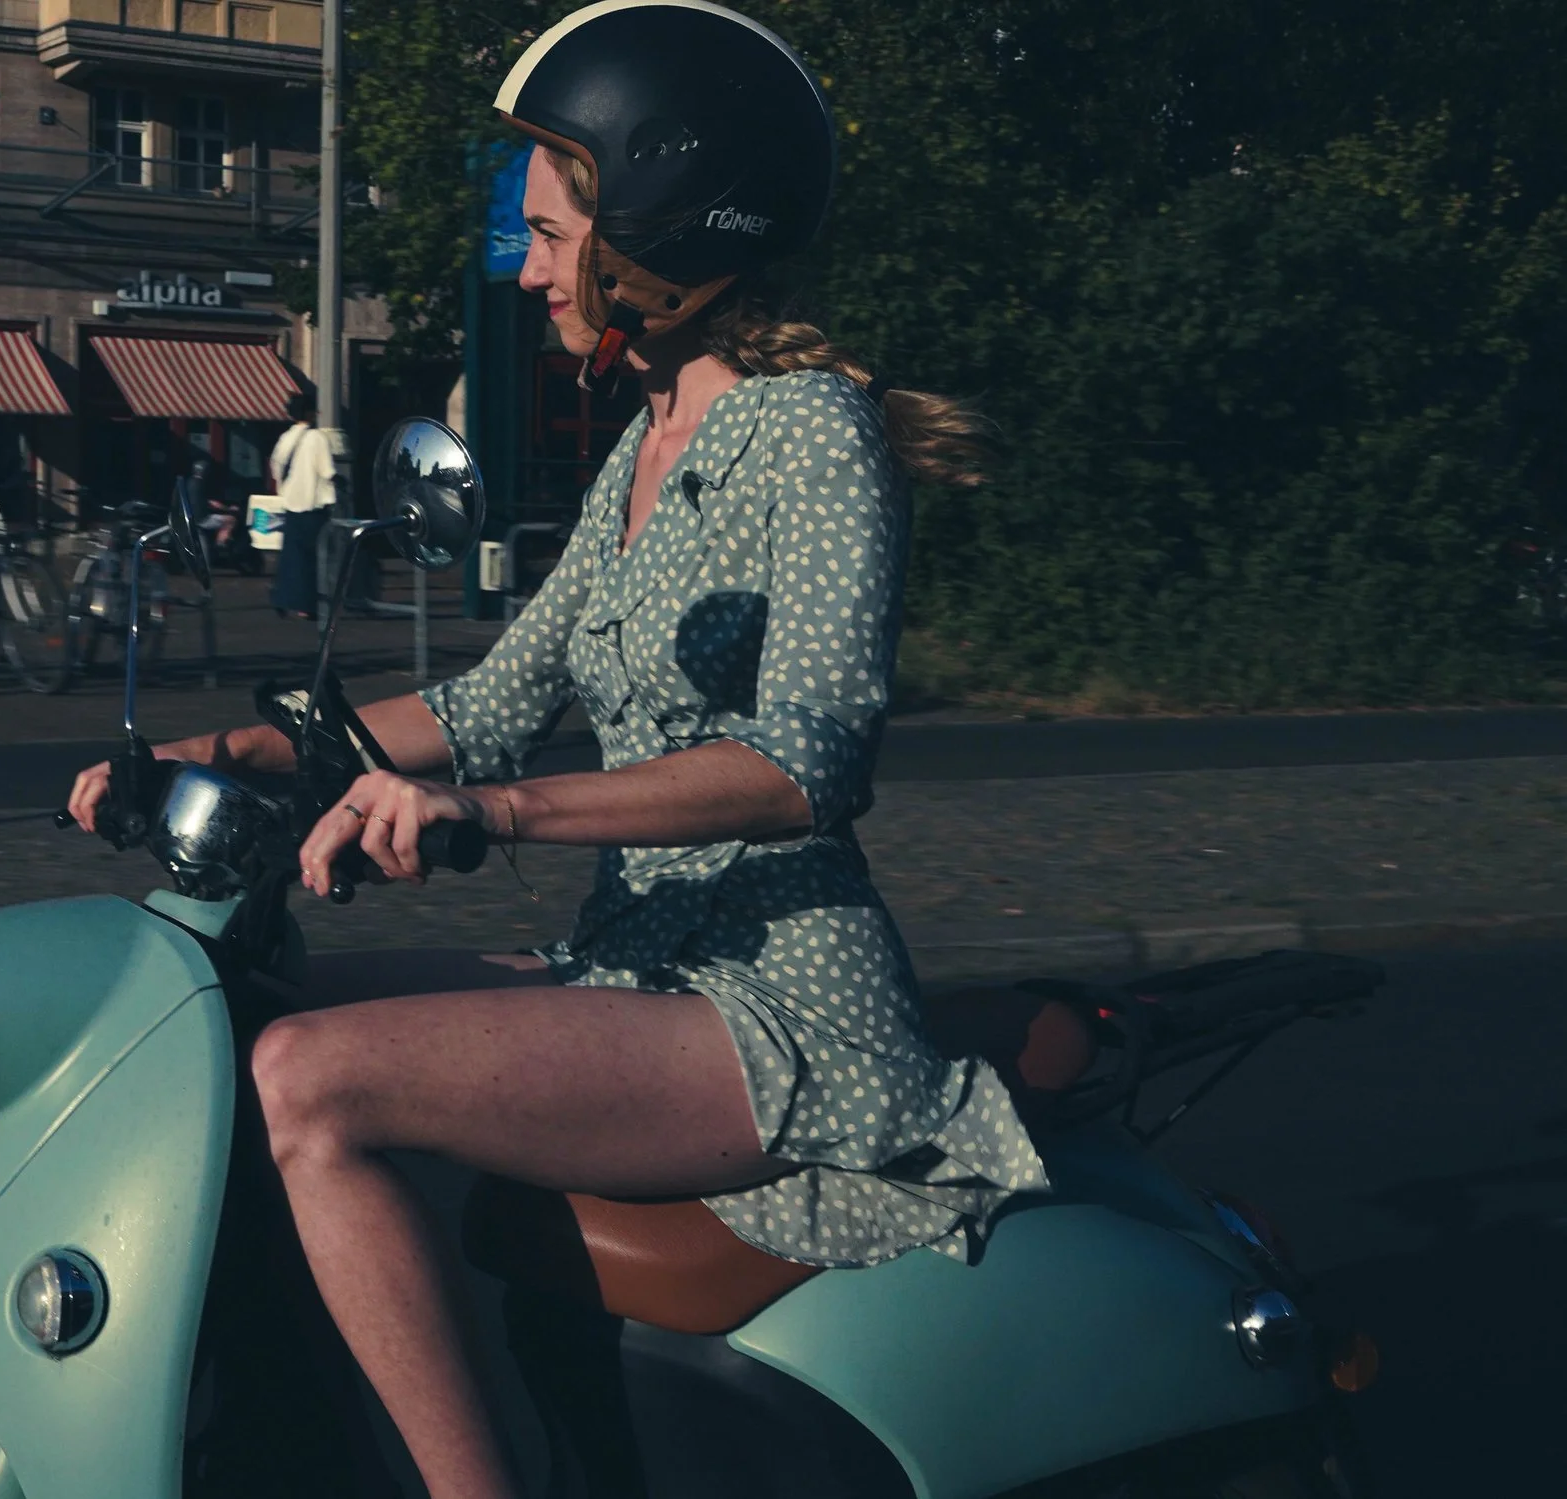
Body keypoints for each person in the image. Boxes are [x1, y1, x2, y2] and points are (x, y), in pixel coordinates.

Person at [69, 6, 1029, 1495]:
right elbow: (486, 703)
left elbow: (809, 762)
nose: (525, 270)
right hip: (636, 955)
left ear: (656, 235)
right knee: (220, 1015)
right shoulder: (641, 444)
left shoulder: (814, 435)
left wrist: (495, 812)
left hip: (779, 1000)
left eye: (549, 235)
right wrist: (235, 747)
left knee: (308, 1080)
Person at [266, 389, 333, 619]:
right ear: (310, 413)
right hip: (313, 505)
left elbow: (275, 467)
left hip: (291, 503)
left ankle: (283, 597)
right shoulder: (318, 438)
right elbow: (327, 471)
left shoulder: (285, 438)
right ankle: (306, 605)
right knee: (313, 557)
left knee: (291, 556)